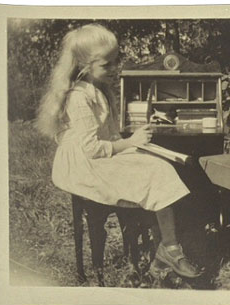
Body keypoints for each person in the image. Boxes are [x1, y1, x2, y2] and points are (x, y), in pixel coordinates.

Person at [35, 24, 200, 278]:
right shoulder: (79, 97)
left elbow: (110, 137)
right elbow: (92, 148)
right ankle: (169, 250)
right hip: (84, 165)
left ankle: (164, 251)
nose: (114, 69)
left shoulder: (100, 90)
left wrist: (136, 144)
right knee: (155, 171)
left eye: (115, 62)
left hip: (100, 155)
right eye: (106, 65)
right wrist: (131, 142)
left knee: (158, 164)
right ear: (85, 66)